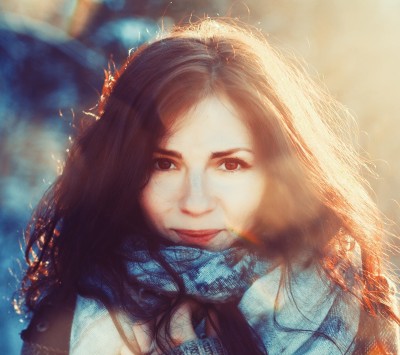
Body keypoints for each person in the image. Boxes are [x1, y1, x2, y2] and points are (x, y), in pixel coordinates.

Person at [19, 18, 399, 354]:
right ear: (123, 169)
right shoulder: (72, 316)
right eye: (163, 164)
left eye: (230, 164)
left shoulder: (350, 307)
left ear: (279, 172)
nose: (195, 202)